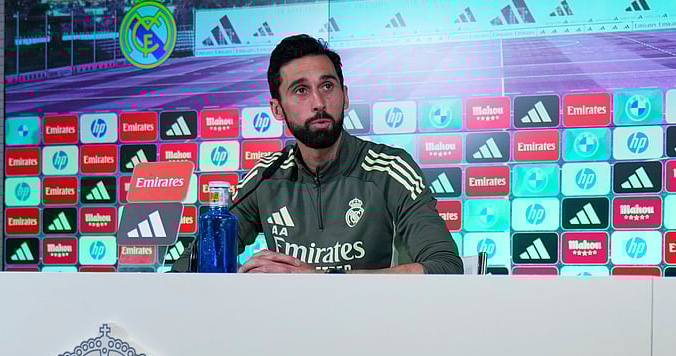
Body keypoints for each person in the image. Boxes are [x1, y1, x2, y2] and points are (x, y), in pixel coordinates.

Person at [171, 35, 462, 274]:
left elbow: (445, 268)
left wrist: (318, 282)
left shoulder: (390, 169)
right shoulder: (266, 176)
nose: (319, 102)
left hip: (370, 331)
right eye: (301, 90)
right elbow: (188, 268)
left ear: (345, 95)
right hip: (287, 332)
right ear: (276, 108)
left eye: (327, 86)